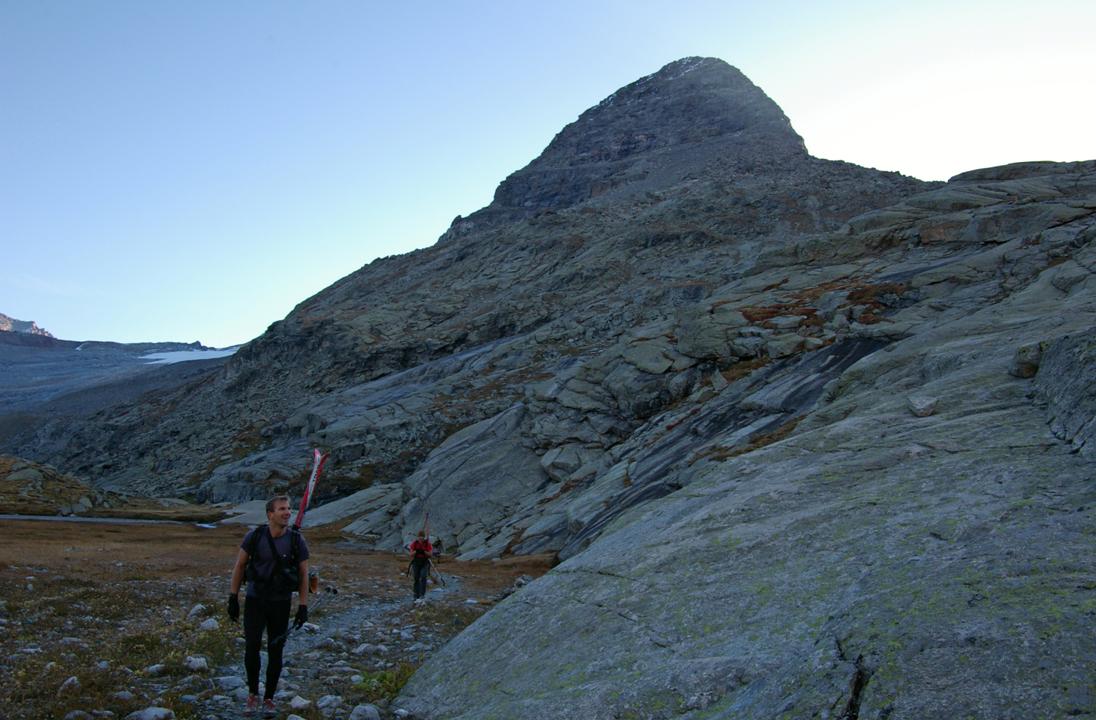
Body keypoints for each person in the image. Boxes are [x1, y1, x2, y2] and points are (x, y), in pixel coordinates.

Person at [227, 495, 310, 717]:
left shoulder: (296, 540)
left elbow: (304, 574)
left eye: (289, 508)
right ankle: (253, 693)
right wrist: (233, 597)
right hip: (255, 600)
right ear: (270, 514)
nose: (287, 512)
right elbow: (240, 565)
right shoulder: (254, 536)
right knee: (252, 647)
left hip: (281, 603)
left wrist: (303, 606)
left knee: (276, 650)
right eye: (282, 509)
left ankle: (269, 698)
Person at [408, 527, 434, 602]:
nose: (421, 538)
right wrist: (416, 551)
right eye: (419, 537)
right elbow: (411, 554)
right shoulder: (414, 544)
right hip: (416, 563)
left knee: (423, 577)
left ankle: (422, 594)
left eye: (422, 537)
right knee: (416, 578)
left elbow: (430, 554)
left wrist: (424, 552)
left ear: (424, 537)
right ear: (418, 537)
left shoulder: (427, 544)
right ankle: (416, 594)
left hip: (424, 563)